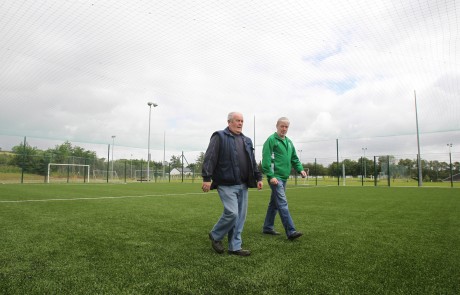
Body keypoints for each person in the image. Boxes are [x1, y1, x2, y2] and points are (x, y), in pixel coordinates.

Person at [202, 112, 263, 256]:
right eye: (237, 120)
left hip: (243, 184)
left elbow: (252, 162)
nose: (240, 123)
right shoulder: (219, 136)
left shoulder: (247, 140)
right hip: (225, 184)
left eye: (242, 121)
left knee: (240, 217)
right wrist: (206, 178)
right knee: (232, 213)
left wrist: (258, 177)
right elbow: (210, 157)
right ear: (229, 122)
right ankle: (216, 235)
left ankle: (234, 247)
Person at [261, 117, 306, 240]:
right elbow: (266, 160)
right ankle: (291, 231)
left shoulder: (289, 142)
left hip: (284, 177)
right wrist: (271, 176)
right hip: (276, 178)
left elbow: (294, 159)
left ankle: (267, 227)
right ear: (277, 126)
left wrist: (300, 169)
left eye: (286, 127)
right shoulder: (271, 140)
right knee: (282, 202)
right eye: (282, 126)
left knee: (274, 204)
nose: (284, 129)